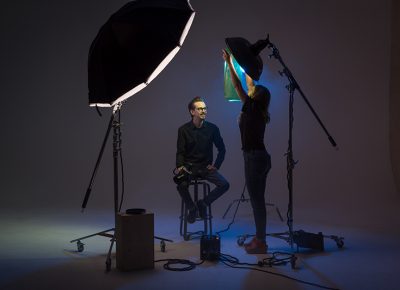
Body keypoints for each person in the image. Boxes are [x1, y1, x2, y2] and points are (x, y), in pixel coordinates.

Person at [222, 49, 272, 254]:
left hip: (254, 158)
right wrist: (246, 62)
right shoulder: (258, 109)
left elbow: (237, 85)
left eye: (254, 90)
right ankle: (260, 238)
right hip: (260, 157)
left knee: (257, 202)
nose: (251, 89)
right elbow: (250, 84)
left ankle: (261, 242)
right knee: (258, 201)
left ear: (256, 97)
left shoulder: (251, 107)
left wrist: (229, 63)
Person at [175, 96, 230, 224]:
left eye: (205, 108)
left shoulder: (213, 128)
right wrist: (179, 166)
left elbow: (222, 149)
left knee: (225, 184)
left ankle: (203, 203)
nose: (203, 111)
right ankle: (192, 208)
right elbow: (180, 152)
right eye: (200, 109)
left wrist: (216, 165)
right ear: (192, 111)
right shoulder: (183, 130)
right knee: (181, 185)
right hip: (189, 168)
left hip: (206, 167)